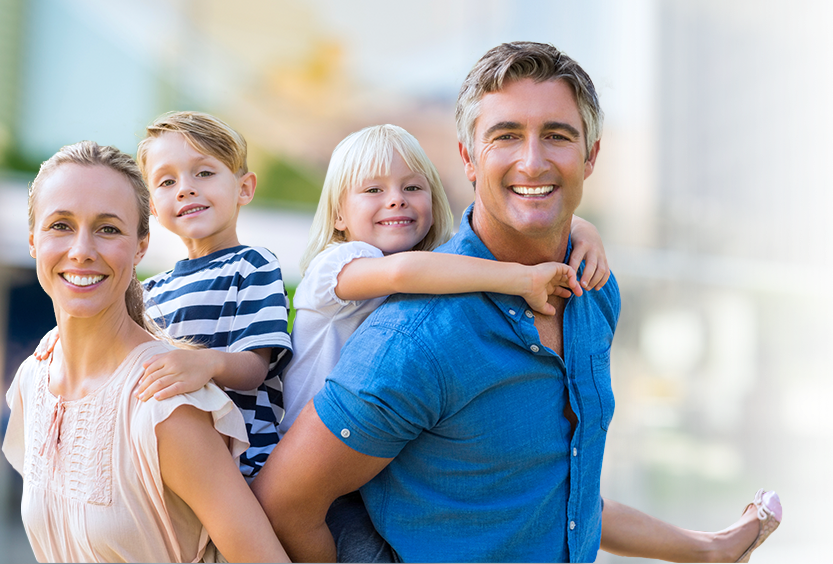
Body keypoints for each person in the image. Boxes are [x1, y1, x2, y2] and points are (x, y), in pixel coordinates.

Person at [251, 42, 781, 563]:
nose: (532, 161)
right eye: (506, 136)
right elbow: (284, 504)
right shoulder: (415, 339)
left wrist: (704, 548)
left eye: (557, 135)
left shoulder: (594, 290)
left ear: (590, 155)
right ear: (468, 158)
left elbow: (555, 498)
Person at [2, 141, 289, 562]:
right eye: (60, 225)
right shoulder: (32, 380)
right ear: (33, 240)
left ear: (140, 247)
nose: (81, 249)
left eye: (108, 228)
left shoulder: (166, 402)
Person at [278, 123, 611, 438]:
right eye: (373, 189)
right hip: (296, 449)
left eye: (412, 187)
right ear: (338, 214)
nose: (396, 199)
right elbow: (401, 273)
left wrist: (585, 231)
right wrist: (522, 279)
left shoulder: (435, 264)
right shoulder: (333, 266)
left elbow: (490, 235)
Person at [34, 112, 293, 480]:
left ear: (244, 188)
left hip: (246, 465)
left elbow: (255, 366)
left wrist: (205, 365)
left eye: (204, 172)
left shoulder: (253, 266)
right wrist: (60, 340)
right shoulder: (150, 289)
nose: (185, 188)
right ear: (153, 207)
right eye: (167, 181)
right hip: (170, 465)